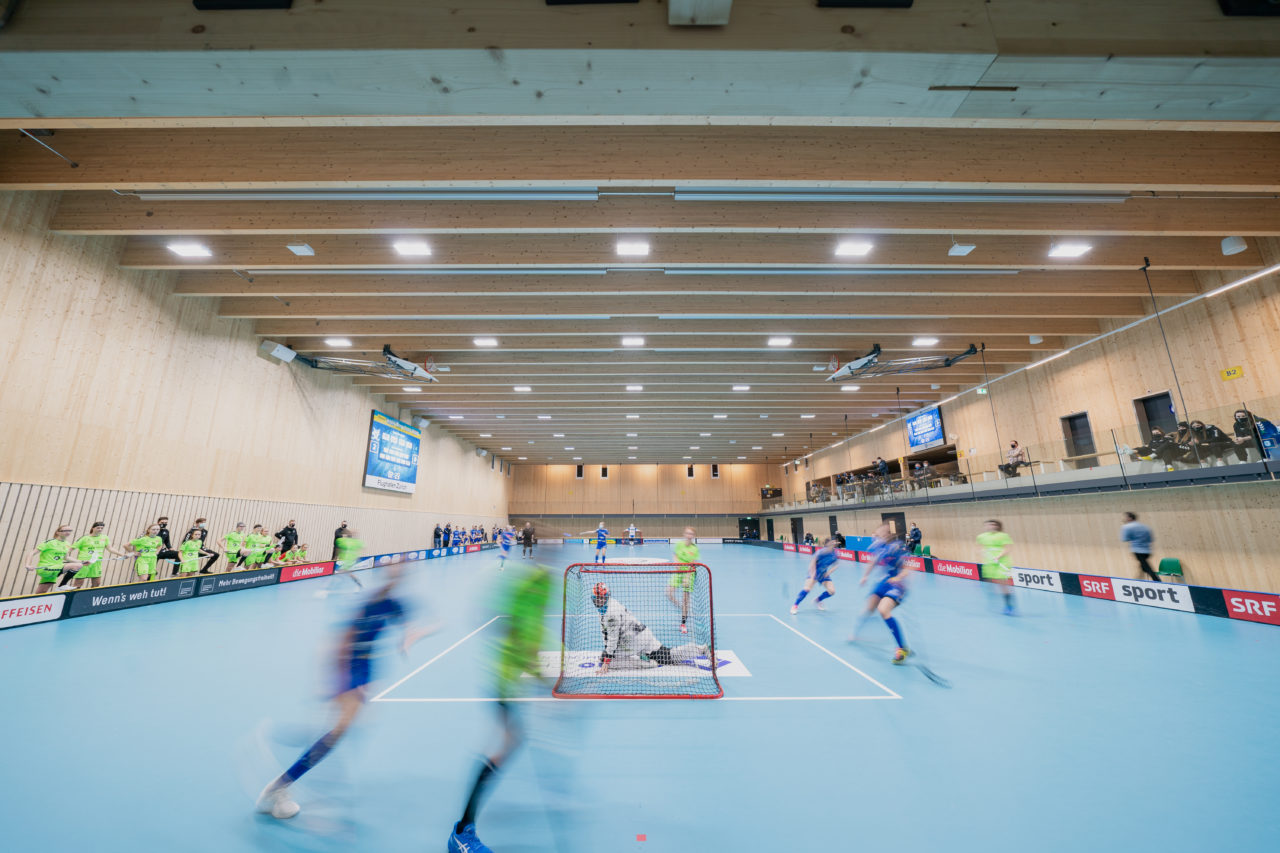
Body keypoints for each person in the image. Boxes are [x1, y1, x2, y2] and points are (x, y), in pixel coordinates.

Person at [256, 563, 435, 820]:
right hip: (351, 669)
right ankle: (279, 784)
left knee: (342, 730)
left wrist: (413, 637)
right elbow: (340, 641)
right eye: (394, 574)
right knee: (337, 732)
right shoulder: (369, 604)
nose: (397, 578)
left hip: (365, 670)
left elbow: (406, 627)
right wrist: (334, 681)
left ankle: (285, 770)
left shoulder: (395, 603)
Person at [447, 564, 554, 853]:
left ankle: (463, 829)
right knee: (504, 745)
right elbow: (516, 637)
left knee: (510, 743)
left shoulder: (537, 593)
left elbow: (524, 636)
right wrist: (545, 680)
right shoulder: (527, 593)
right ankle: (461, 833)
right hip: (504, 681)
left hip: (510, 681)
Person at [593, 582, 707, 675]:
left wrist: (606, 662)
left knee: (605, 659)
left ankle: (648, 663)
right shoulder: (611, 603)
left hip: (632, 641)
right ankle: (701, 649)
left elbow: (612, 639)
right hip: (643, 634)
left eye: (602, 598)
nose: (599, 601)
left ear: (607, 597)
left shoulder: (610, 614)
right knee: (667, 655)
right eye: (597, 598)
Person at [850, 524, 911, 663]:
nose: (879, 536)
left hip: (896, 584)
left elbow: (907, 569)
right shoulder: (879, 547)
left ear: (888, 533)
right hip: (882, 583)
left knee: (883, 610)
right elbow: (873, 562)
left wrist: (898, 577)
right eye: (878, 534)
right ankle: (855, 634)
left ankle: (902, 648)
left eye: (882, 533)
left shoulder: (897, 547)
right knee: (869, 608)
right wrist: (865, 576)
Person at [24, 524, 83, 594]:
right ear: (58, 532)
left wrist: (82, 562)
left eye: (70, 530)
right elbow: (32, 553)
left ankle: (33, 602)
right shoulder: (49, 542)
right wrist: (28, 565)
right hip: (46, 568)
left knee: (42, 591)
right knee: (77, 566)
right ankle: (62, 585)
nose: (68, 532)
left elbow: (66, 558)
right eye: (65, 530)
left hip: (56, 568)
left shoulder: (67, 544)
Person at [69, 521, 127, 590]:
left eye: (101, 528)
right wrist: (65, 556)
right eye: (98, 528)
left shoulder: (105, 538)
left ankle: (90, 597)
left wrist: (122, 554)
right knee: (78, 584)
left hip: (97, 563)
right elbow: (71, 548)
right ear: (93, 528)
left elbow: (110, 548)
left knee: (97, 583)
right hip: (85, 563)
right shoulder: (84, 538)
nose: (100, 529)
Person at [791, 536, 838, 615]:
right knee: (807, 589)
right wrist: (813, 575)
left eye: (834, 542)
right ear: (827, 544)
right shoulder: (821, 552)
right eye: (832, 542)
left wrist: (829, 572)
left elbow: (836, 565)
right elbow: (812, 563)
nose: (833, 543)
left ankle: (817, 600)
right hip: (814, 572)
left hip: (823, 574)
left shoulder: (834, 554)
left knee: (832, 591)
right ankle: (795, 605)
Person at [977, 520, 1016, 615]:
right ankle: (998, 597)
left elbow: (1008, 548)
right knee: (990, 582)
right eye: (988, 525)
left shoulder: (1003, 536)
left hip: (1001, 563)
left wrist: (999, 556)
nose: (990, 526)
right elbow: (980, 548)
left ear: (997, 526)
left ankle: (1009, 605)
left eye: (993, 524)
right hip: (989, 563)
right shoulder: (981, 537)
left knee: (1003, 585)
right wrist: (981, 552)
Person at [669, 527, 699, 633]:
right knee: (669, 593)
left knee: (686, 600)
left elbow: (693, 563)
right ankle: (681, 607)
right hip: (678, 572)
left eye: (691, 534)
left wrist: (687, 576)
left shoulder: (694, 548)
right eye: (687, 533)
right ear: (684, 534)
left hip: (688, 574)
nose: (689, 535)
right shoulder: (679, 544)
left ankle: (683, 624)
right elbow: (675, 555)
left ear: (693, 536)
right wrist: (676, 563)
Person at [1120, 512, 1159, 582]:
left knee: (1146, 567)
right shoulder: (1146, 527)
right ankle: (1137, 581)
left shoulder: (1127, 527)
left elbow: (1124, 539)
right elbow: (1150, 539)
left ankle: (1157, 580)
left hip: (1137, 550)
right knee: (1143, 567)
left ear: (1130, 518)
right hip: (1147, 551)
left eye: (1126, 517)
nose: (1124, 519)